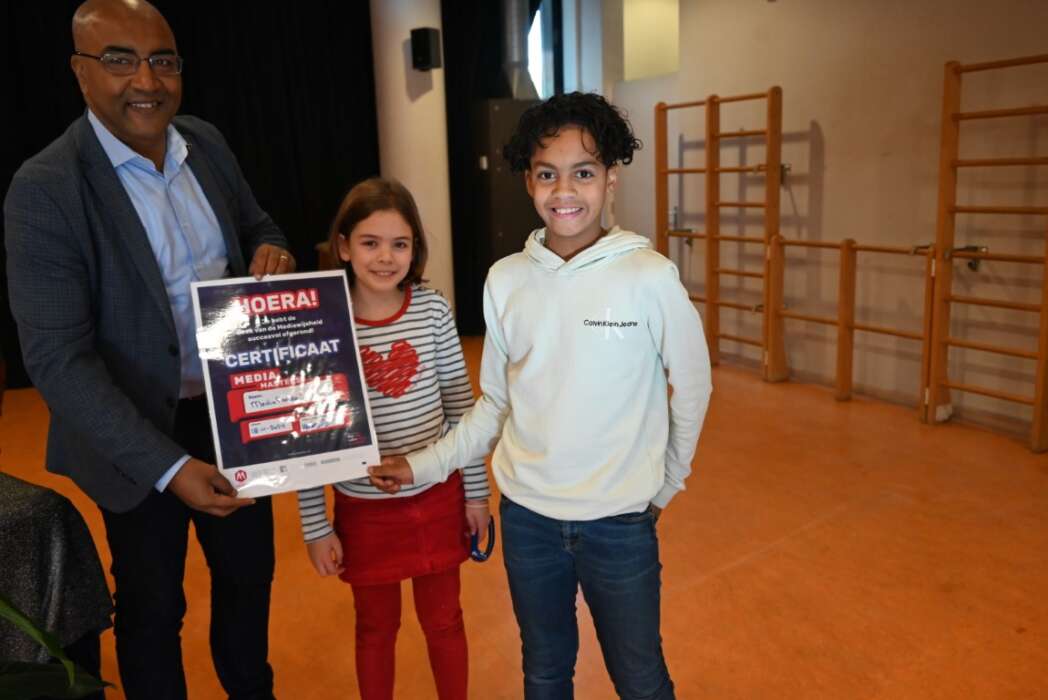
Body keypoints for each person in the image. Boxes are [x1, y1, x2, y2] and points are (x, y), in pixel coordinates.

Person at [368, 92, 713, 699]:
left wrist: (667, 483)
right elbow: (494, 406)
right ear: (528, 181)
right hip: (528, 519)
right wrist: (421, 465)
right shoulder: (506, 280)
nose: (565, 191)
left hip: (619, 523)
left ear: (610, 178)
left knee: (640, 679)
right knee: (546, 673)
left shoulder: (649, 276)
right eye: (547, 174)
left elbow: (693, 385)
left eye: (583, 173)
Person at [4, 1, 295, 698]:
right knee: (153, 605)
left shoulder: (205, 143)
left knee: (249, 579)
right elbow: (57, 360)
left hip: (231, 414)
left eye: (162, 60)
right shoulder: (45, 189)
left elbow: (259, 225)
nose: (147, 80)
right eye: (119, 60)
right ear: (80, 73)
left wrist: (272, 250)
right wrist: (168, 467)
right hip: (131, 431)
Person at [297, 177, 490, 700]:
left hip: (438, 499)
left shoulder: (432, 309)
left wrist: (476, 495)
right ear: (343, 246)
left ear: (415, 249)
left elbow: (462, 410)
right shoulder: (322, 323)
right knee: (375, 629)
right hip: (363, 511)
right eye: (370, 242)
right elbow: (307, 435)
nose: (386, 257)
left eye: (399, 244)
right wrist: (315, 526)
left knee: (445, 621)